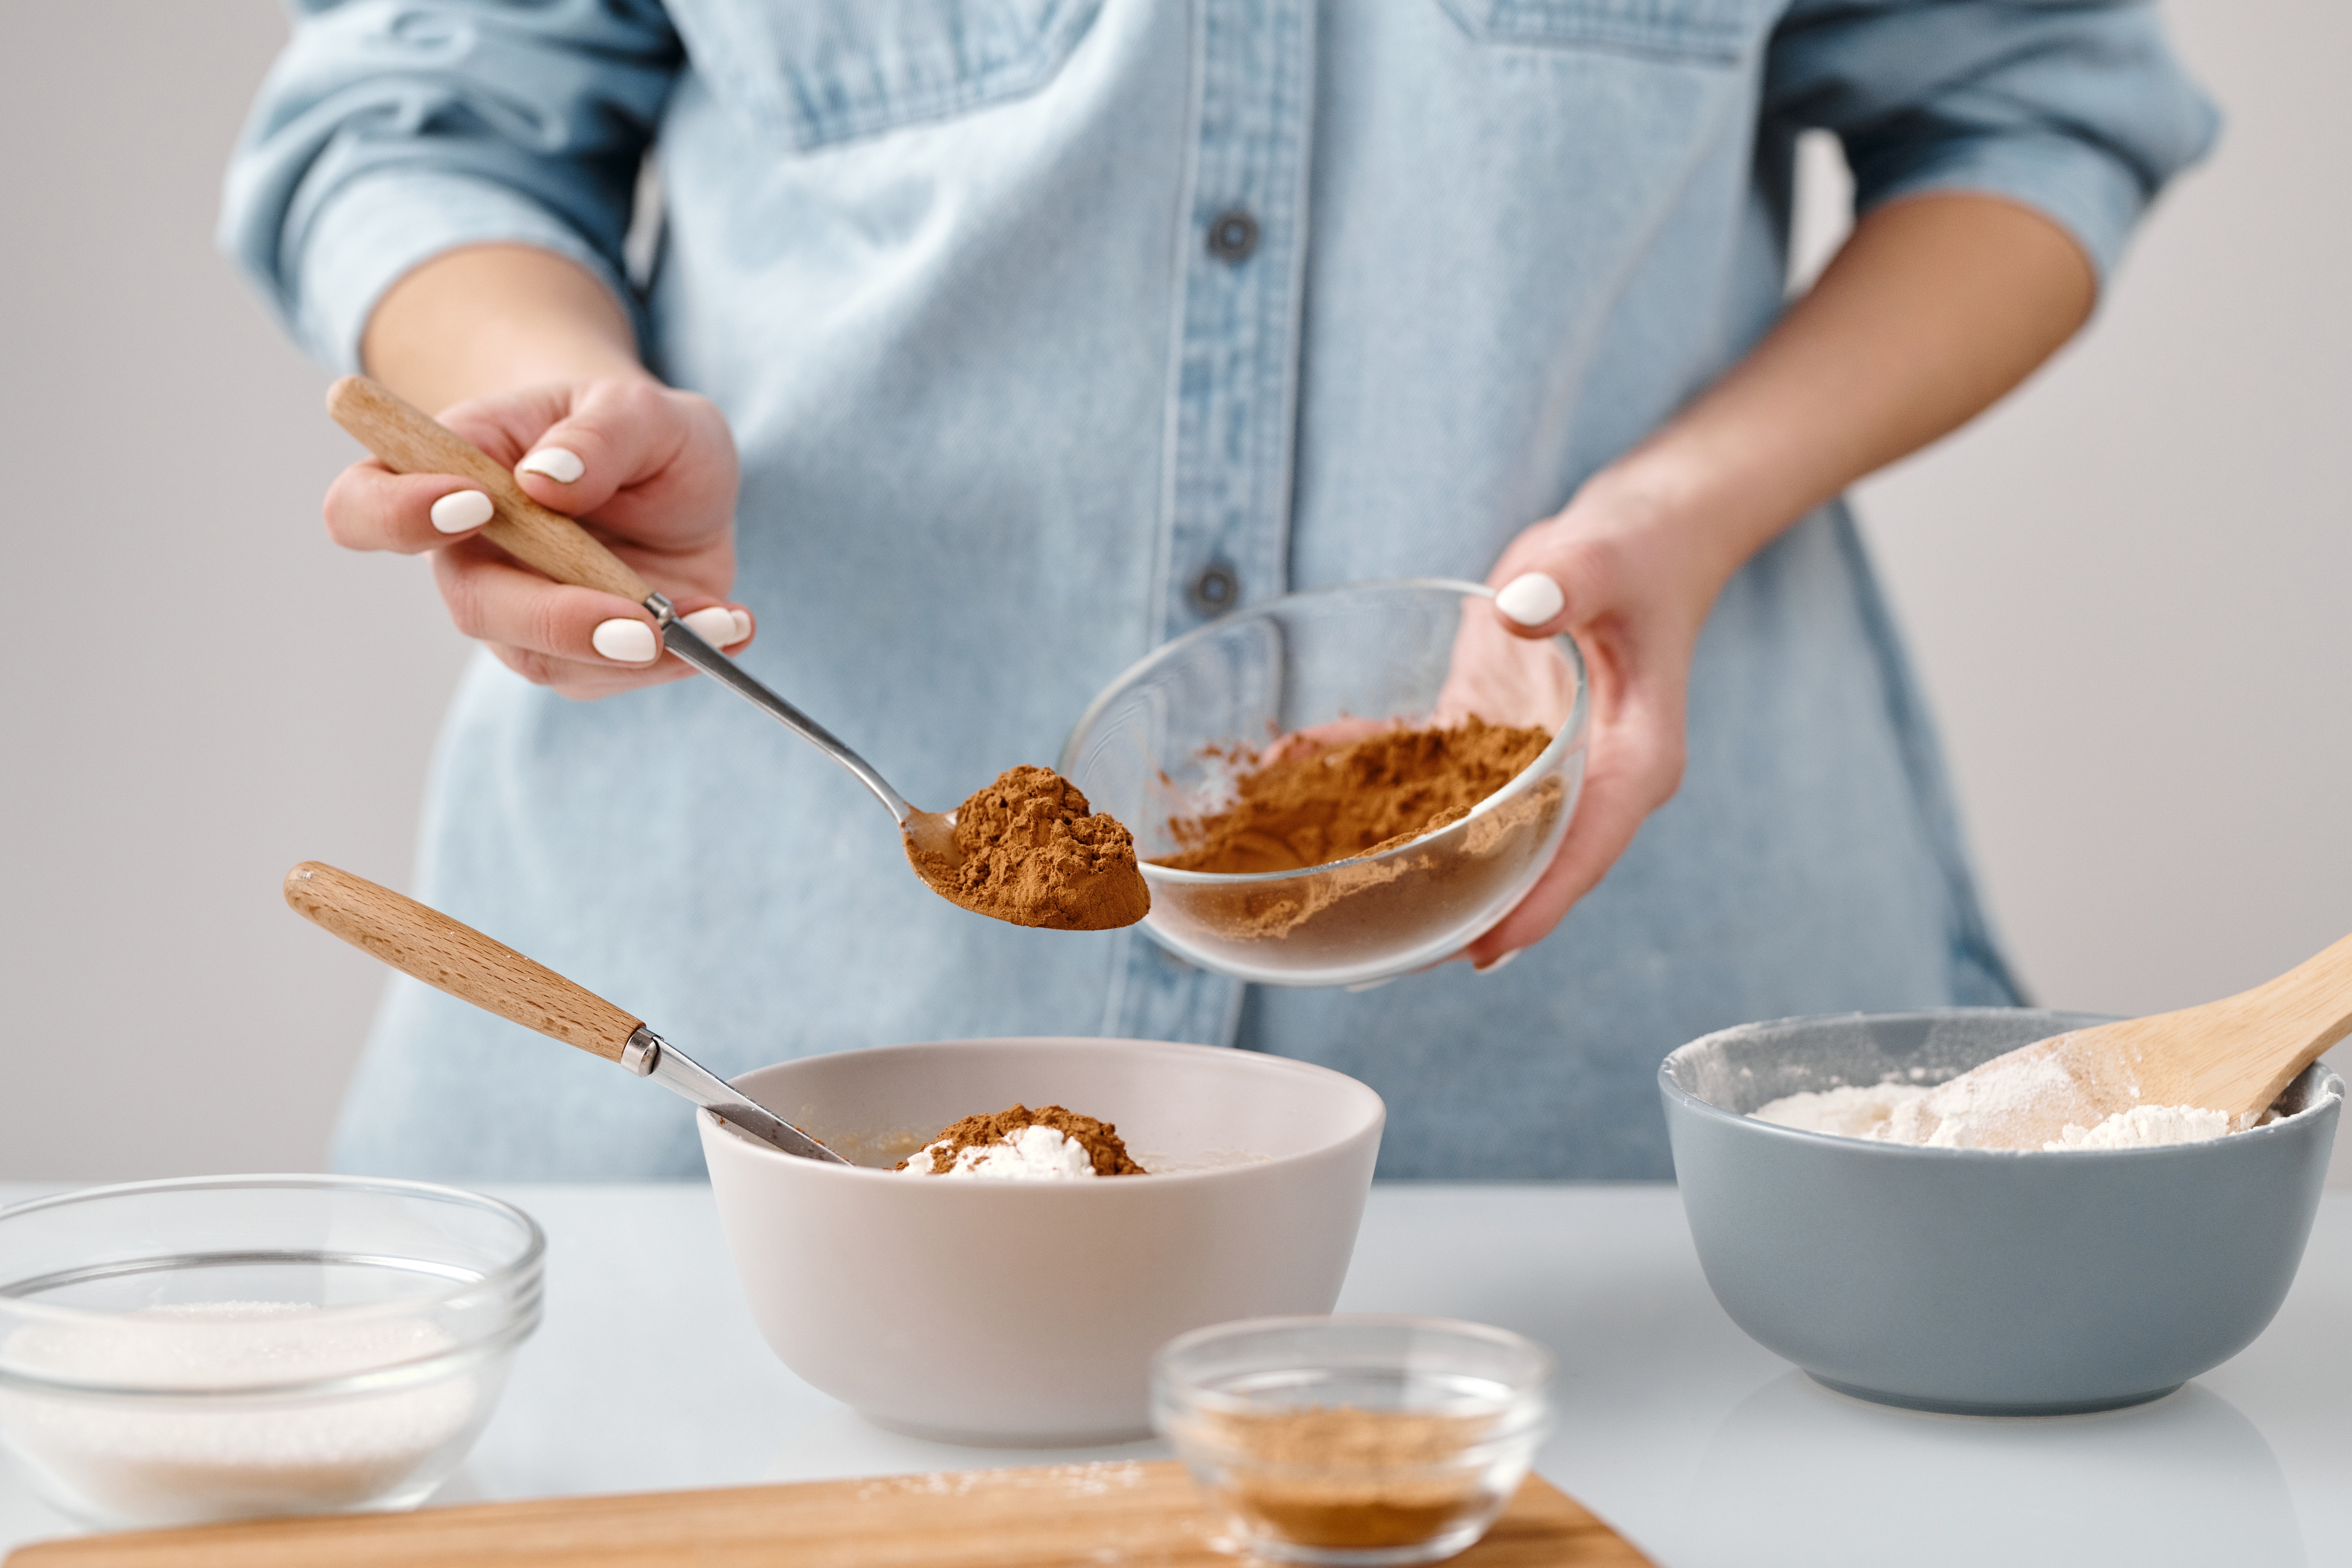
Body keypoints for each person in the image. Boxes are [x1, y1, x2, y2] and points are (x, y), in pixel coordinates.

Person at [223, 0, 2214, 1181]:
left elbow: (2036, 115)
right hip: (734, 1073)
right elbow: (422, 112)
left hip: (1571, 1118)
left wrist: (1688, 506)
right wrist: (552, 414)